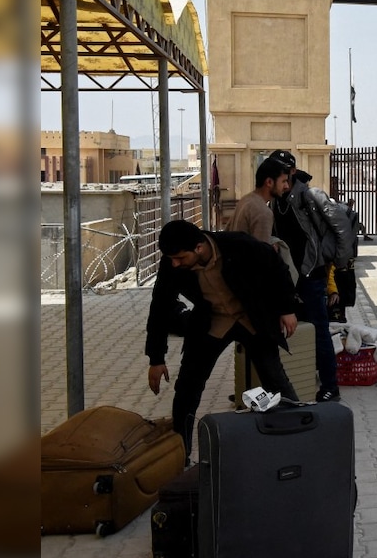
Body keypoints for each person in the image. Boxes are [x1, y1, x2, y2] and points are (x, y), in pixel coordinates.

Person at [145, 220, 299, 456]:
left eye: (179, 257)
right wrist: (156, 358)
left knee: (276, 382)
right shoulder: (172, 265)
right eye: (171, 259)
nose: (174, 264)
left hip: (252, 319)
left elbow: (277, 268)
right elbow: (160, 306)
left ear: (198, 248)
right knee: (187, 389)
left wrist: (287, 309)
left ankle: (298, 441)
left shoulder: (238, 245)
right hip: (212, 324)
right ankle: (179, 454)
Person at [268, 149, 355, 402]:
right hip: (290, 275)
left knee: (318, 330)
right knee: (295, 330)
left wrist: (336, 263)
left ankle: (330, 386)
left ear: (292, 172)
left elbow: (342, 228)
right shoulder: (276, 199)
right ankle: (296, 382)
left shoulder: (311, 196)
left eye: (282, 172)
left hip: (312, 274)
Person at [227, 158, 290, 242]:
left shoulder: (245, 200)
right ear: (269, 182)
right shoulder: (263, 212)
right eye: (284, 181)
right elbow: (261, 252)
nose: (286, 186)